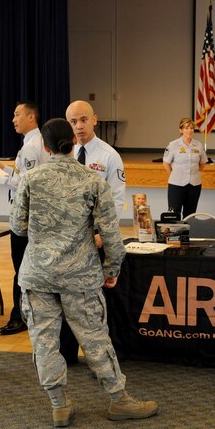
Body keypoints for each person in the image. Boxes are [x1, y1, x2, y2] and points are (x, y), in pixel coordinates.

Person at [11, 119, 158, 427]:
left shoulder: (29, 179)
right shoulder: (93, 181)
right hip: (80, 276)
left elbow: (18, 227)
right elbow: (112, 236)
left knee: (44, 341)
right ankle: (119, 400)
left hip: (37, 275)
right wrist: (111, 269)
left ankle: (59, 405)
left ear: (47, 147)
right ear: (73, 144)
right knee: (95, 339)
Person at [62, 100, 127, 364]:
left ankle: (100, 359)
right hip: (67, 242)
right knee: (66, 298)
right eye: (73, 121)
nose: (78, 126)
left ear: (95, 120)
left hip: (96, 239)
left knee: (96, 302)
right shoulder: (61, 153)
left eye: (83, 120)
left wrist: (104, 235)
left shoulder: (109, 155)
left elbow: (117, 201)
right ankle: (66, 354)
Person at [0, 101, 49, 336]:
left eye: (17, 114)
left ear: (31, 116)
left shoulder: (34, 144)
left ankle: (20, 316)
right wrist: (4, 168)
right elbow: (25, 175)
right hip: (26, 214)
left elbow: (29, 182)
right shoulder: (31, 143)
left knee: (21, 267)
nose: (13, 119)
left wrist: (1, 179)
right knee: (22, 267)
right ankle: (24, 313)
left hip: (26, 217)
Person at [162, 117, 208, 219]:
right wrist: (174, 175)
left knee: (190, 215)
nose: (189, 130)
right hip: (176, 184)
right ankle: (174, 235)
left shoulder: (198, 145)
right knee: (174, 214)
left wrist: (194, 172)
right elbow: (166, 163)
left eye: (191, 128)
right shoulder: (173, 145)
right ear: (181, 130)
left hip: (194, 184)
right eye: (186, 128)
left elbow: (203, 163)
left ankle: (188, 235)